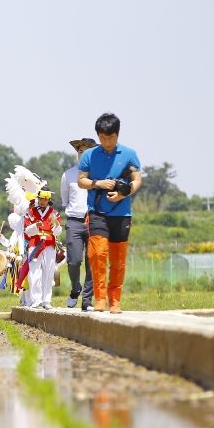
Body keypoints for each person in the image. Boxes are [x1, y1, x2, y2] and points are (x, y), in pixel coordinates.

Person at [78, 113, 142, 314]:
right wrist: (98, 183)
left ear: (118, 134)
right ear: (98, 136)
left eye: (111, 137)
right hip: (97, 212)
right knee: (97, 254)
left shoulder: (129, 154)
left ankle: (115, 300)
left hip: (122, 214)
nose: (107, 142)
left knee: (118, 259)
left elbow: (137, 180)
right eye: (103, 138)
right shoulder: (89, 155)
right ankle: (100, 299)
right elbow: (82, 181)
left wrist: (123, 194)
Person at [62, 138, 98, 311]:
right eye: (80, 151)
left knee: (91, 261)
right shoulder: (68, 175)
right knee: (74, 261)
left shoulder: (99, 175)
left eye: (86, 151)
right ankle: (76, 287)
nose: (82, 154)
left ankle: (86, 300)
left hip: (93, 221)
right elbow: (65, 200)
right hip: (74, 221)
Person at [23, 190, 63, 309]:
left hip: (49, 244)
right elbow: (27, 231)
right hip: (35, 244)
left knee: (49, 272)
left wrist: (55, 225)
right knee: (34, 272)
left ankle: (46, 300)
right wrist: (36, 226)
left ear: (49, 200)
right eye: (41, 199)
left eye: (45, 200)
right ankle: (36, 299)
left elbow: (58, 232)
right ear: (37, 199)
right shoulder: (30, 213)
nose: (42, 202)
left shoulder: (54, 213)